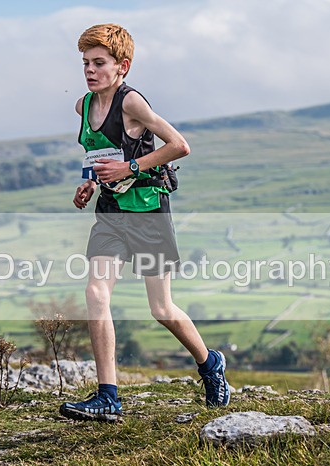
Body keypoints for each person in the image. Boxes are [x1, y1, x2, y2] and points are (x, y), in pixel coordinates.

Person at [59, 23, 230, 422]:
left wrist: (131, 167)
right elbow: (97, 154)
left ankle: (210, 364)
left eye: (99, 63)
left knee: (161, 308)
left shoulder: (131, 103)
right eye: (85, 63)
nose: (90, 70)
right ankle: (108, 397)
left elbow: (179, 146)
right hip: (111, 213)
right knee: (96, 293)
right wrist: (88, 184)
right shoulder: (83, 106)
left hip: (149, 212)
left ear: (122, 66)